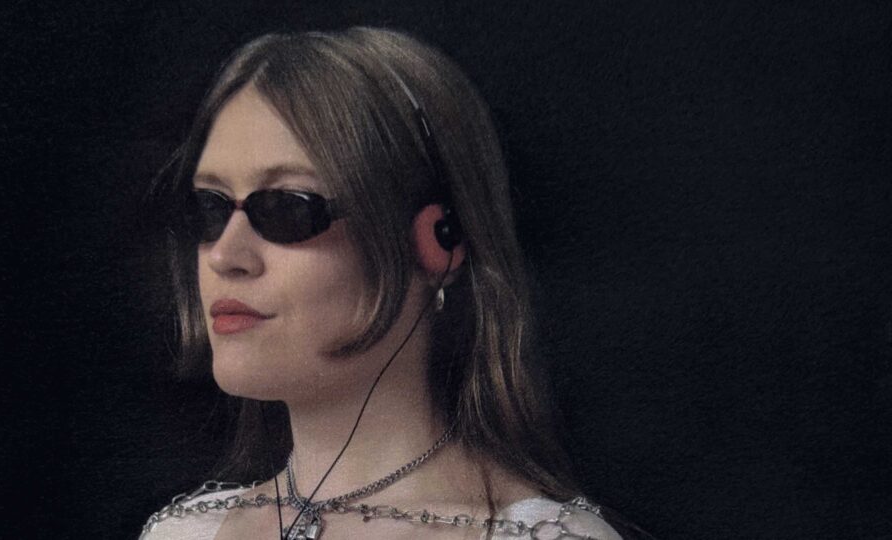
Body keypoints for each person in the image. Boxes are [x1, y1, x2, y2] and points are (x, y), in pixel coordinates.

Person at [140, 26, 627, 540]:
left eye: (287, 208)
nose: (224, 256)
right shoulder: (181, 533)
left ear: (438, 241)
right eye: (211, 208)